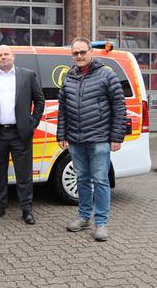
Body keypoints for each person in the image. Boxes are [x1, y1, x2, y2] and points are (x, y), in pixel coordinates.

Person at [58, 36, 126, 242]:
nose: (79, 56)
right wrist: (61, 134)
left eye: (82, 52)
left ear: (91, 52)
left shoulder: (106, 74)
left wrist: (116, 137)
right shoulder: (69, 77)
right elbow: (63, 110)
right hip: (76, 140)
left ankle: (101, 223)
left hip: (99, 138)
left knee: (101, 181)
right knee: (82, 180)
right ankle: (84, 217)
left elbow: (119, 107)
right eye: (75, 53)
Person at [0, 45, 45, 224]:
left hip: (20, 133)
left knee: (24, 174)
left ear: (13, 57)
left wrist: (33, 123)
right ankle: (0, 207)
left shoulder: (27, 75)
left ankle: (26, 209)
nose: (3, 57)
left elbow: (39, 101)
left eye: (6, 54)